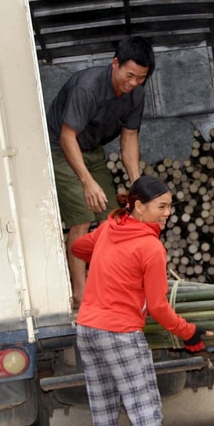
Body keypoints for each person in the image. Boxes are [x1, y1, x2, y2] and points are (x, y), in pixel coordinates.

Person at [72, 175, 210, 426]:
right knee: (145, 406)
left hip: (87, 329)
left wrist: (106, 252)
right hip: (119, 333)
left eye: (170, 206)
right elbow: (159, 308)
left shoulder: (109, 229)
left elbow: (78, 247)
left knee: (103, 405)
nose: (167, 213)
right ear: (138, 206)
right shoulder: (150, 247)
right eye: (161, 206)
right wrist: (189, 333)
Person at [47, 35, 156, 308]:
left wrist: (136, 184)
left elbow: (129, 136)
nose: (133, 84)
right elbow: (67, 137)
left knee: (111, 216)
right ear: (115, 63)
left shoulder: (136, 93)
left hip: (92, 149)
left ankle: (110, 283)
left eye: (140, 78)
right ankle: (80, 293)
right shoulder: (89, 88)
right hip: (61, 149)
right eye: (129, 75)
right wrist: (87, 181)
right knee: (83, 215)